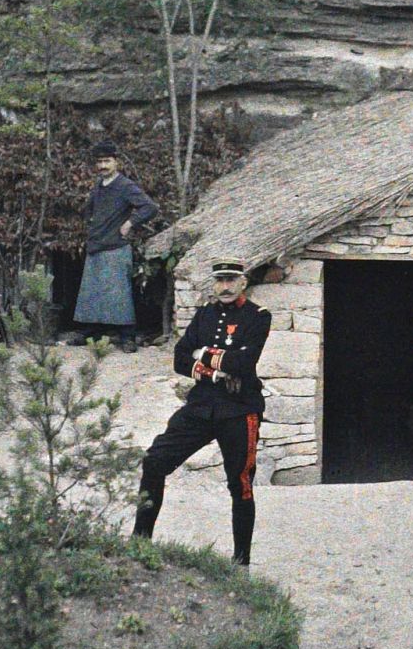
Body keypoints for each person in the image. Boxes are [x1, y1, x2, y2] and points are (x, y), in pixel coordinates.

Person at [133, 258, 270, 567]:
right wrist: (213, 372)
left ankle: (241, 564)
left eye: (231, 280)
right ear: (214, 284)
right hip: (201, 405)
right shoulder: (204, 316)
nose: (225, 286)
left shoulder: (258, 317)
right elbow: (179, 359)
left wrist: (204, 353)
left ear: (243, 283)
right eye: (220, 280)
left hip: (238, 409)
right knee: (154, 462)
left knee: (241, 484)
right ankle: (139, 545)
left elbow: (244, 364)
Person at [73, 139, 158, 352]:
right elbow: (90, 211)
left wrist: (129, 223)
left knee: (119, 295)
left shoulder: (125, 186)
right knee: (92, 293)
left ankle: (127, 337)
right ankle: (90, 333)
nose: (102, 166)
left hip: (116, 247)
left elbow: (149, 207)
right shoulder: (98, 187)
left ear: (116, 162)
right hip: (96, 245)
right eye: (99, 162)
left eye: (107, 161)